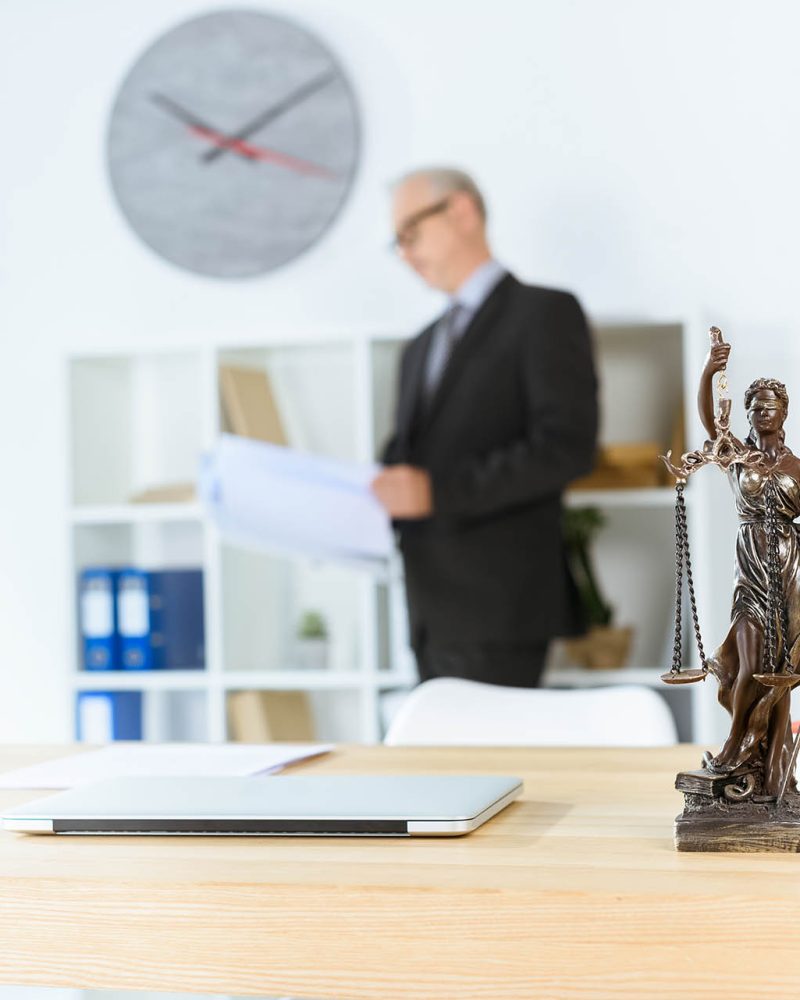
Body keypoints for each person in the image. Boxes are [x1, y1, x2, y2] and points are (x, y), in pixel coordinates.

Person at [371, 167, 598, 688]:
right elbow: (407, 458)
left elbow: (566, 447)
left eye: (411, 233)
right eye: (397, 242)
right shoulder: (419, 347)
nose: (405, 253)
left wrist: (438, 492)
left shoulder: (544, 314)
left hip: (501, 607)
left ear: (461, 212)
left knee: (495, 743)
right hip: (427, 612)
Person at [700, 338, 800, 797]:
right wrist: (709, 370)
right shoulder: (739, 455)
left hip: (791, 573)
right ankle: (736, 742)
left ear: (784, 413)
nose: (762, 413)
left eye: (769, 407)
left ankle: (776, 772)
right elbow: (708, 419)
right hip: (751, 571)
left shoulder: (797, 467)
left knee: (782, 670)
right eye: (755, 408)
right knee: (749, 664)